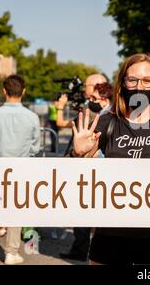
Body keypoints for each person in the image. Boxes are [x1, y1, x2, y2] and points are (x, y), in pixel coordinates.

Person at [69, 53, 150, 265]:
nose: (138, 86)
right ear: (123, 83)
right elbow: (77, 170)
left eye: (146, 80)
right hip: (110, 233)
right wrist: (79, 152)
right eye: (132, 79)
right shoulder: (107, 122)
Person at [0, 75, 40, 265]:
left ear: (4, 91)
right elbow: (35, 148)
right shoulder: (32, 117)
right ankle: (11, 252)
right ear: (23, 92)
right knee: (16, 209)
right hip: (21, 167)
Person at [58, 75, 112, 262]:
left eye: (95, 99)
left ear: (106, 99)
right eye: (91, 98)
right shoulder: (93, 115)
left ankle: (89, 250)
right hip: (89, 174)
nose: (91, 101)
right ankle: (83, 249)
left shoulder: (110, 118)